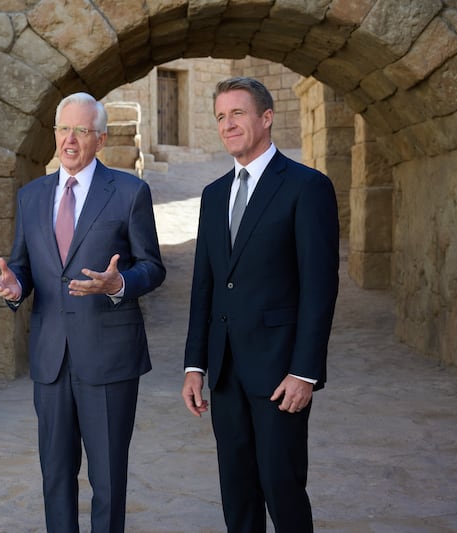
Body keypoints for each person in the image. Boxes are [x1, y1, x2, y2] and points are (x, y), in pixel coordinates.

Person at [0, 92, 165, 533]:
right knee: (55, 474)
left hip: (109, 357)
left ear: (101, 139)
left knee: (107, 477)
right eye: (63, 129)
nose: (70, 139)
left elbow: (152, 266)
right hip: (51, 356)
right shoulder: (31, 196)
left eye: (82, 131)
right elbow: (24, 267)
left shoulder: (130, 192)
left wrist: (120, 284)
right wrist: (14, 286)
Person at [182, 77, 340, 533]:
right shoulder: (213, 195)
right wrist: (195, 364)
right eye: (219, 117)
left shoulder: (306, 187)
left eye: (237, 114)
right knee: (237, 490)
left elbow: (319, 286)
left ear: (266, 118)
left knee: (282, 487)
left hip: (280, 374)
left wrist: (305, 371)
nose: (227, 125)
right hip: (226, 371)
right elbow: (205, 286)